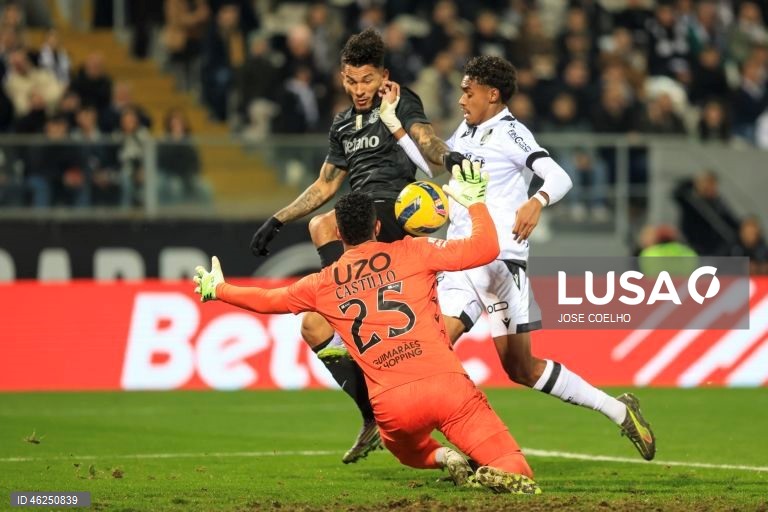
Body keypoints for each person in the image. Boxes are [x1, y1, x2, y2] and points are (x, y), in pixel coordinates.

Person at [196, 168, 541, 494]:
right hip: (447, 386)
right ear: (378, 227)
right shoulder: (414, 251)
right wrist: (476, 204)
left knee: (405, 448)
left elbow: (267, 300)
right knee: (516, 467)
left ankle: (443, 457)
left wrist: (220, 290)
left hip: (393, 405)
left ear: (340, 234)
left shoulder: (322, 283)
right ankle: (495, 470)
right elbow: (485, 249)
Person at [389, 55, 656, 461]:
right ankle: (462, 445)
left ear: (492, 94)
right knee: (434, 348)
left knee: (521, 369)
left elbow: (559, 176)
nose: (461, 99)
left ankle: (618, 410)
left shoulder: (512, 133)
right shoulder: (468, 129)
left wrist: (537, 201)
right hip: (461, 258)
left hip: (500, 264)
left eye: (468, 91)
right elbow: (435, 167)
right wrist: (396, 127)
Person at [248, 28, 452, 463]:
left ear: (384, 76)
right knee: (311, 327)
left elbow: (425, 139)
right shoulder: (342, 124)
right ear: (342, 77)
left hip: (398, 209)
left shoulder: (400, 101)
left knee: (323, 225)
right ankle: (372, 412)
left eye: (368, 80)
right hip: (361, 221)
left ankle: (346, 299)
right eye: (352, 81)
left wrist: (446, 156)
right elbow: (325, 183)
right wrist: (278, 219)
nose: (360, 90)